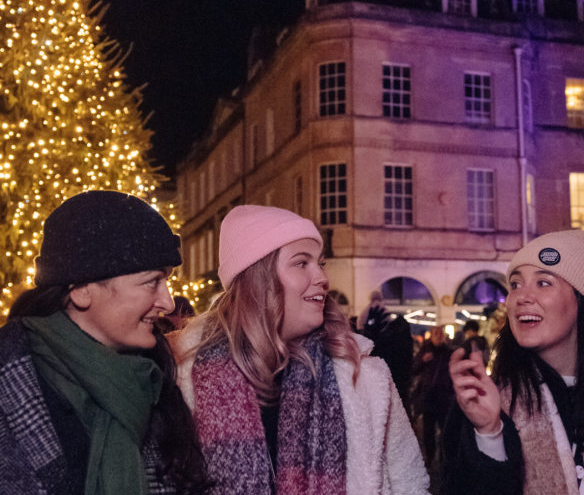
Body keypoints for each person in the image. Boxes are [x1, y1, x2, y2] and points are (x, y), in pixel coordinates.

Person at [169, 206, 429, 494]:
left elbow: (410, 485)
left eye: (320, 263)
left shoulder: (365, 376)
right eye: (301, 263)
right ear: (259, 280)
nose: (322, 277)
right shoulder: (179, 378)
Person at [0, 190, 209, 495]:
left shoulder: (156, 383)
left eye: (167, 282)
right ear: (83, 289)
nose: (166, 301)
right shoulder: (13, 381)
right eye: (152, 281)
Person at [444, 229, 584, 495]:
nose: (522, 296)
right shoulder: (490, 401)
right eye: (515, 284)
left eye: (543, 282)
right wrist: (489, 433)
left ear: (580, 300)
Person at [412, 325, 455, 466]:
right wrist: (423, 360)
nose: (437, 335)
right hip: (428, 395)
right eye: (435, 333)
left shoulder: (449, 352)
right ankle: (430, 457)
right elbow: (414, 369)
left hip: (444, 396)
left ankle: (445, 458)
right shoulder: (425, 350)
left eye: (440, 333)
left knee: (445, 429)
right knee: (428, 429)